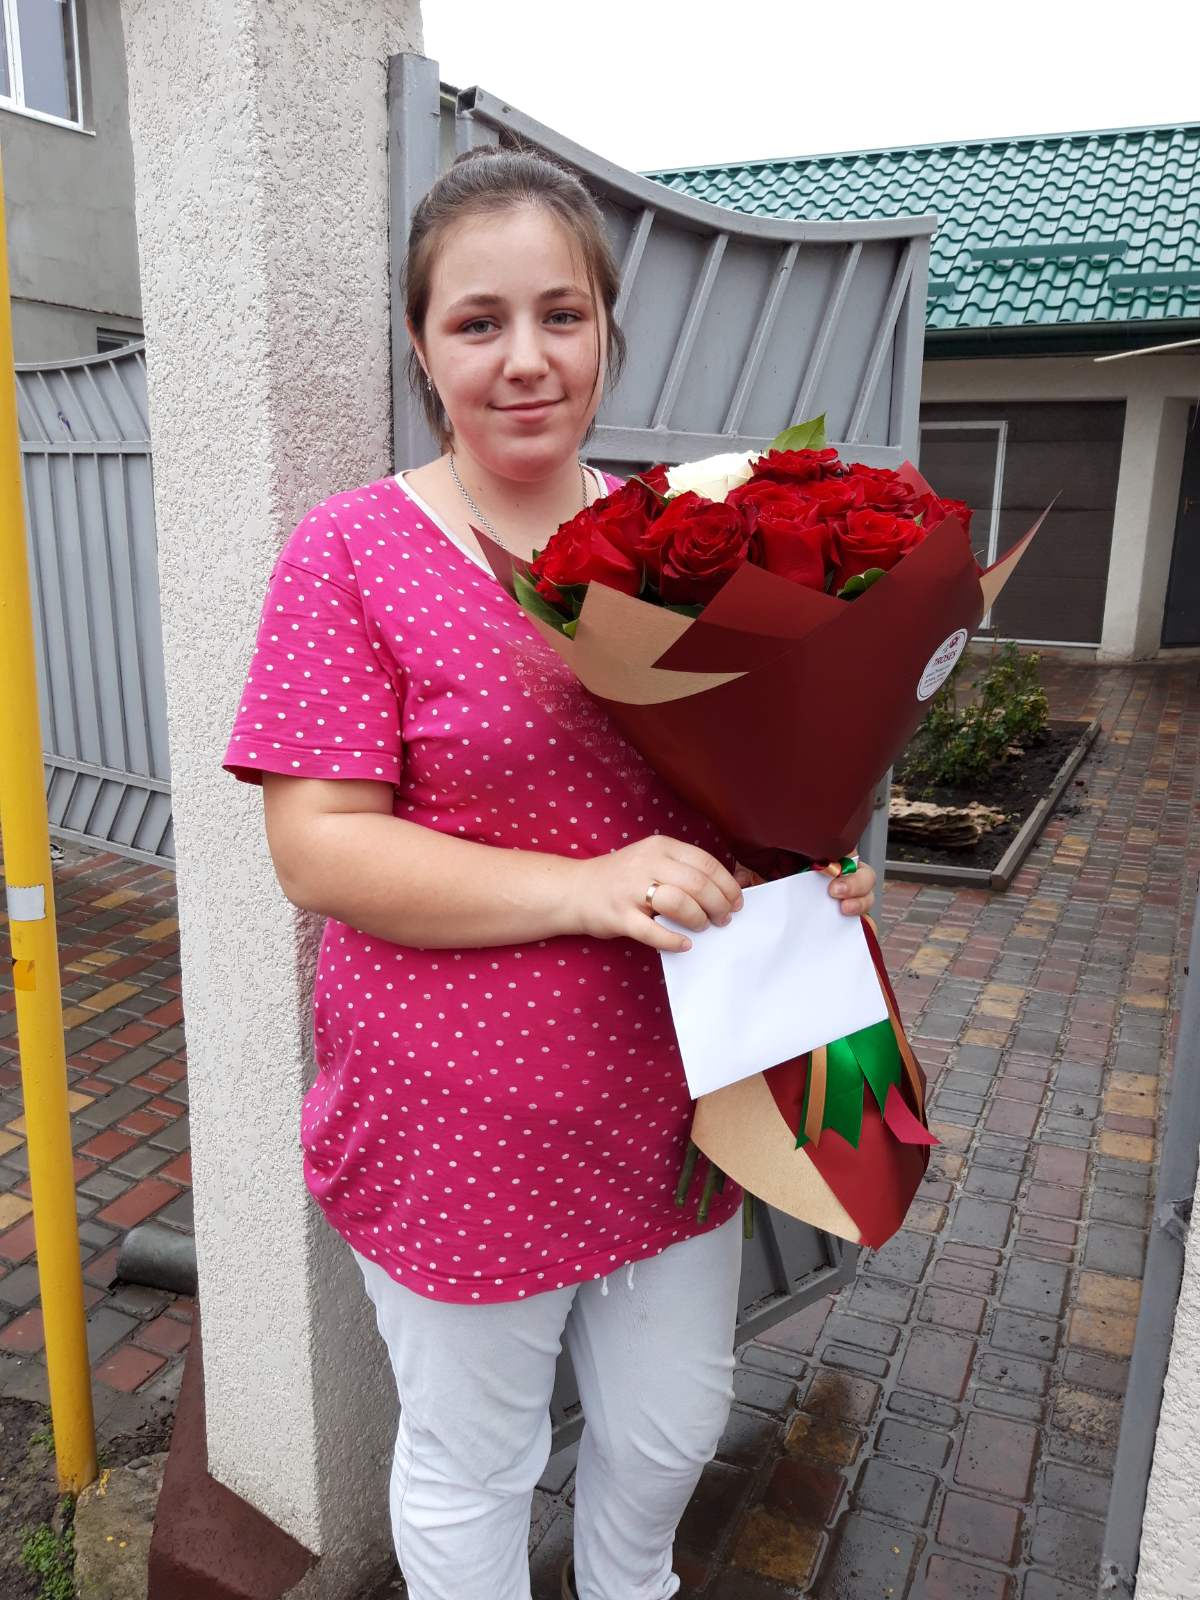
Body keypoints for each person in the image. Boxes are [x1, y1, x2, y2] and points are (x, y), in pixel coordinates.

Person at [223, 146, 877, 1600]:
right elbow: (316, 846)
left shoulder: (686, 542)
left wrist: (803, 864)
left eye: (561, 315)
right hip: (460, 1118)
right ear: (422, 345)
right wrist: (585, 888)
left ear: (605, 330)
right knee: (477, 1461)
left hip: (677, 1097)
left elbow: (741, 785)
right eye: (479, 321)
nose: (525, 358)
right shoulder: (351, 551)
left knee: (669, 1430)